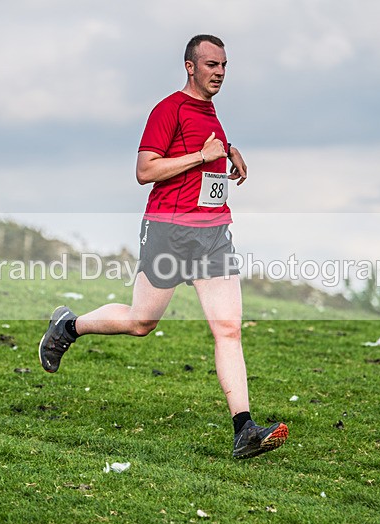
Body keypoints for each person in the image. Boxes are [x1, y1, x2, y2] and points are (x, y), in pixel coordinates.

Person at [38, 34, 287, 459]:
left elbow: (203, 149)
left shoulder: (210, 112)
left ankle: (244, 428)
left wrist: (227, 152)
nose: (220, 72)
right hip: (169, 230)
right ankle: (68, 326)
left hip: (212, 232)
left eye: (224, 65)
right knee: (141, 322)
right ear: (190, 66)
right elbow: (145, 170)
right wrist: (202, 155)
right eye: (211, 64)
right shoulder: (167, 109)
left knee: (228, 328)